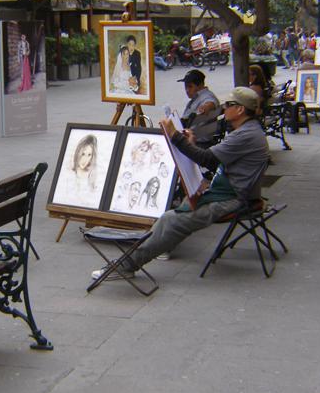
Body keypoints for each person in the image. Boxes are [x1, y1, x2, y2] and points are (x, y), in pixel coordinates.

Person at [91, 87, 268, 280]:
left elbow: (208, 159)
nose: (224, 108)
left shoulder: (245, 135)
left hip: (234, 198)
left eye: (228, 105)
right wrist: (189, 143)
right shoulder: (246, 130)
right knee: (172, 214)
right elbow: (214, 159)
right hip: (230, 190)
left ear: (240, 110)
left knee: (172, 219)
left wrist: (174, 135)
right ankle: (155, 247)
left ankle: (128, 265)